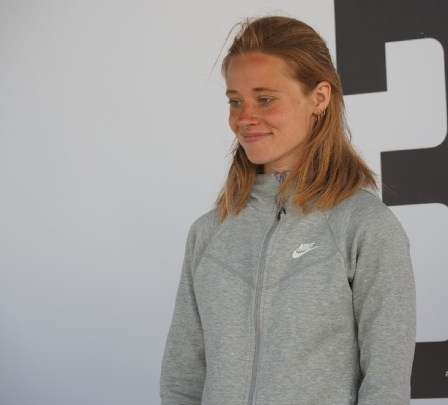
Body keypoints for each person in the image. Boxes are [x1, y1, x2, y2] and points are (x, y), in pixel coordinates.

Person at [160, 16, 415, 405]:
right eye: (235, 101)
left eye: (265, 99)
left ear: (320, 98)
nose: (244, 117)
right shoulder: (209, 233)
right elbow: (182, 380)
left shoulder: (365, 227)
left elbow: (386, 386)